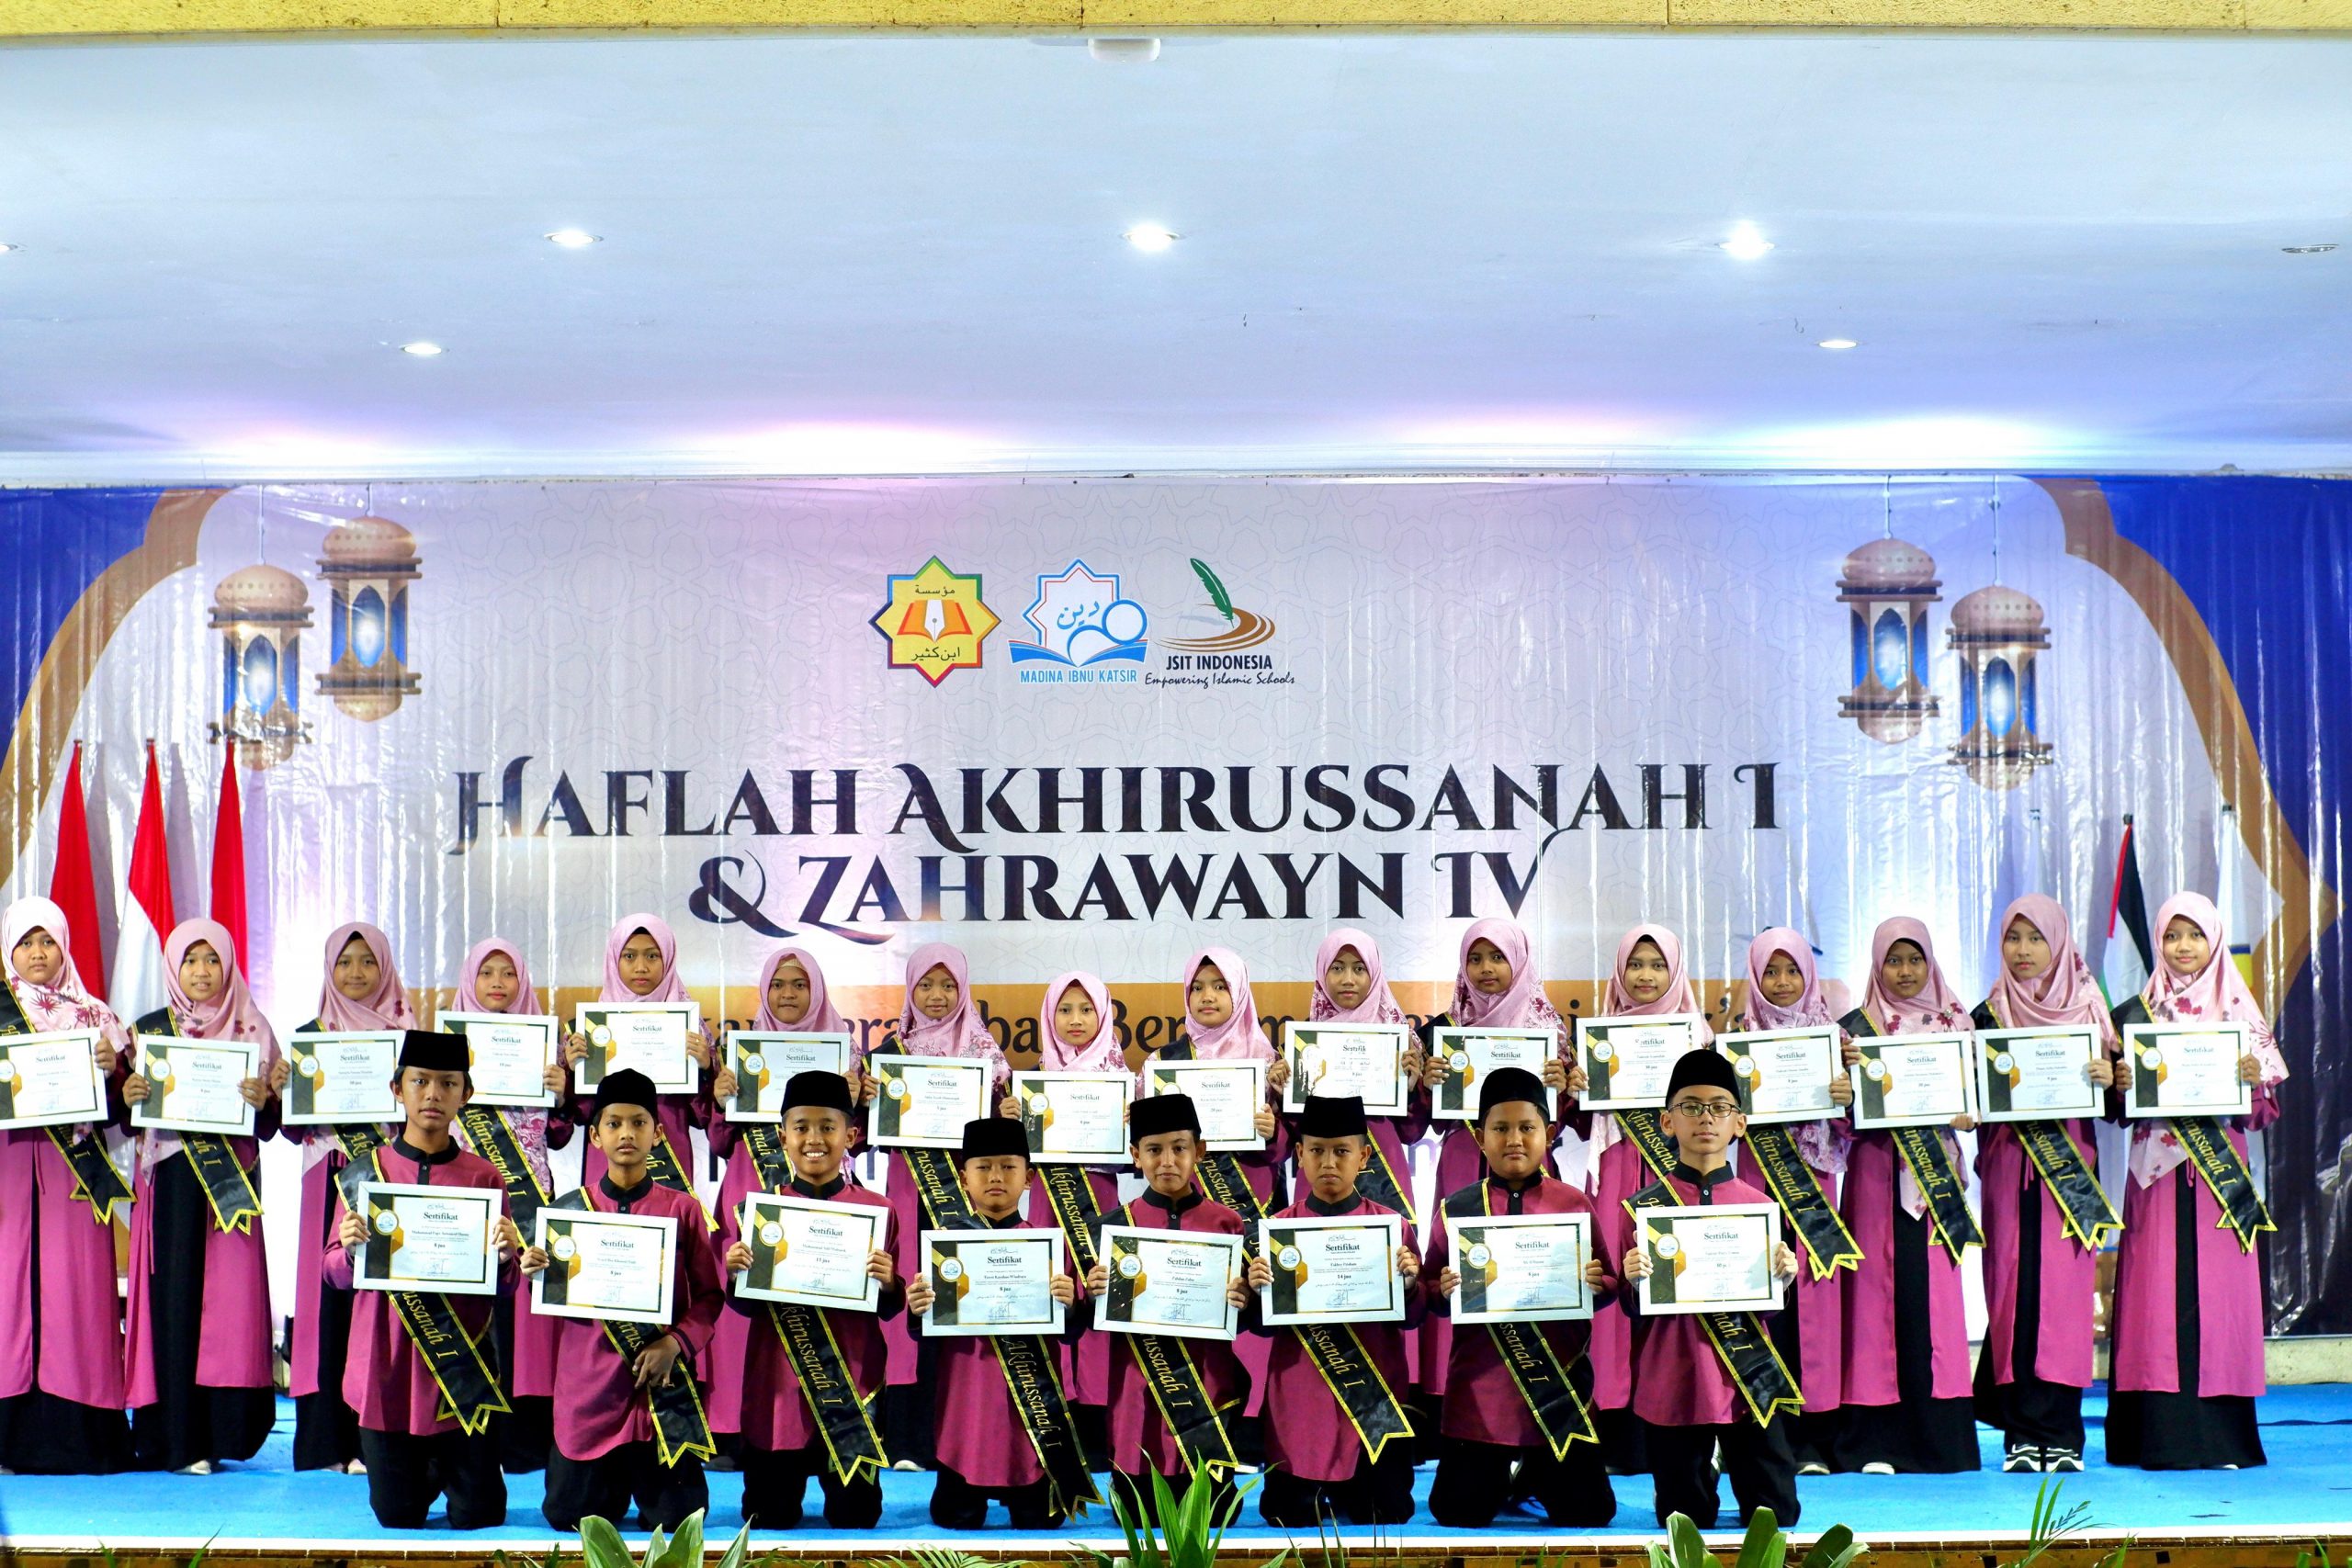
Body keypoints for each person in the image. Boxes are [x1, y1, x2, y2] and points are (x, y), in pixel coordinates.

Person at [2106, 892, 2287, 1471]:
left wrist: (2255, 1081)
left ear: (2213, 941)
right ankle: (2159, 1436)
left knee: (2219, 1301)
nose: (2183, 948)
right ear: (2158, 943)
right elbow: (2117, 1108)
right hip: (2155, 1178)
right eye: (2172, 937)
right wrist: (2119, 1081)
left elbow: (2261, 1114)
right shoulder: (2137, 1014)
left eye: (2195, 935)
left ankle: (2221, 1438)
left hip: (2219, 1178)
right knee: (2157, 1296)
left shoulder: (2238, 1008)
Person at [323, 1029, 524, 1528]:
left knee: (479, 1514)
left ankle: (450, 1467)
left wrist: (504, 1259)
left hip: (463, 1369)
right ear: (398, 1089)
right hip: (387, 1363)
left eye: (447, 1084)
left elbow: (508, 1285)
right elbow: (331, 1274)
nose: (433, 1094)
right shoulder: (364, 1174)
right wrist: (348, 1251)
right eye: (420, 1082)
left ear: (466, 1094)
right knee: (398, 1515)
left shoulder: (484, 1178)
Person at [528, 1068, 725, 1530]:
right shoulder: (566, 1215)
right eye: (614, 1123)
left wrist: (675, 1343)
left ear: (658, 1134)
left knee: (681, 1520)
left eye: (638, 1123)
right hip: (590, 1392)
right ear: (594, 1135)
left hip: (661, 1395)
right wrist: (534, 1269)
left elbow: (710, 1299)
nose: (626, 1134)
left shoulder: (684, 1209)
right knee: (568, 1517)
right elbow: (547, 1298)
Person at [1616, 1049, 1804, 1529]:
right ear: (1666, 1121)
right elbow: (1631, 1309)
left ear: (1739, 1123)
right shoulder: (1643, 1210)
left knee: (1776, 1515)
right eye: (1691, 1106)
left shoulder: (1761, 1206)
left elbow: (1775, 1310)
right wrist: (1633, 1279)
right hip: (1673, 1375)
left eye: (1720, 1107)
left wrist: (1785, 1275)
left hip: (1747, 1376)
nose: (1706, 1118)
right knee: (1683, 1519)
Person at [122, 919, 282, 1475]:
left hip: (230, 1186)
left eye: (211, 960)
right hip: (170, 1184)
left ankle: (222, 1433)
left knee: (229, 1311)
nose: (201, 971)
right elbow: (124, 1119)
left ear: (229, 965)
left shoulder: (254, 1028)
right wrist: (130, 1094)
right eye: (190, 961)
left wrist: (264, 1100)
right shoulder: (147, 1032)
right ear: (173, 967)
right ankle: (176, 1437)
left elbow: (272, 1127)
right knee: (176, 1301)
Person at [1424, 1066, 1617, 1529]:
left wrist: (1597, 1281)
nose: (1514, 1139)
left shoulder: (1573, 1204)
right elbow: (1429, 1292)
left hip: (1560, 1392)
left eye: (1527, 1128)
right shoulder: (1459, 1209)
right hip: (1480, 1396)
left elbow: (1610, 1282)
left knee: (1588, 1513)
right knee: (1456, 1513)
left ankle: (1532, 1474)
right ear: (1480, 1137)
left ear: (1549, 1134)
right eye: (1501, 1128)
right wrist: (1441, 1289)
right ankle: (1512, 1474)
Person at [1969, 897, 2120, 1473]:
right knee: (2013, 1297)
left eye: (2036, 938)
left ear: (2057, 943)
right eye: (2014, 939)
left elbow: (2115, 1106)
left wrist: (2111, 1081)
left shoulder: (2089, 1009)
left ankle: (2063, 1434)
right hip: (2009, 1173)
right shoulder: (1985, 1016)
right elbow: (1970, 1098)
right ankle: (2020, 1436)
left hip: (2069, 1176)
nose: (2024, 950)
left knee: (2062, 1302)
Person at [1832, 917, 1982, 1474]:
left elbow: (1981, 1101)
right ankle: (1876, 1441)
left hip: (1934, 1182)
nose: (1905, 970)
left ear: (1930, 961)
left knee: (1935, 1305)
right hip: (1873, 1177)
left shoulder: (1957, 1022)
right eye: (1893, 960)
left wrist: (1971, 1111)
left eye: (1914, 958)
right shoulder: (1852, 1029)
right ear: (1877, 964)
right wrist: (1844, 1094)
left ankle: (1936, 1440)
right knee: (1874, 1303)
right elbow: (1838, 1124)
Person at [1415, 919, 1578, 1424]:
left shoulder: (1549, 1030)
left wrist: (1566, 1088)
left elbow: (1567, 1121)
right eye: (1476, 959)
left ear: (1519, 962)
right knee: (1466, 1273)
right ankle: (1464, 1402)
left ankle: (1537, 1393)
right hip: (1464, 1162)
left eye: (1498, 958)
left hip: (1528, 1168)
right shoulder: (1442, 1030)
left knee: (1529, 1270)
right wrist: (1425, 1084)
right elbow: (1424, 1119)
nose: (1487, 970)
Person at [721, 1069, 899, 1528]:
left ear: (851, 1136)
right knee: (768, 1518)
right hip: (778, 1387)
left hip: (851, 1386)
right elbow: (743, 1306)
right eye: (801, 1128)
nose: (814, 1139)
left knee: (856, 1518)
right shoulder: (760, 1213)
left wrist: (888, 1282)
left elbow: (890, 1306)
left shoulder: (879, 1211)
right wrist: (737, 1273)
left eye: (828, 1127)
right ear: (783, 1137)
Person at [1241, 1094, 1424, 1528]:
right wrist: (1256, 1293)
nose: (1329, 1163)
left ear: (1363, 1157)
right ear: (1299, 1154)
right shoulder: (1278, 1232)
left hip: (1374, 1400)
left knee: (1387, 1513)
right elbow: (1262, 1329)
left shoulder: (1392, 1227)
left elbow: (1415, 1316)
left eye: (1342, 1151)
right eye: (1317, 1151)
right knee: (1287, 1516)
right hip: (1300, 1402)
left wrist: (1412, 1284)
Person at [0, 897, 133, 1474]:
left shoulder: (97, 1018)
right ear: (10, 950)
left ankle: (80, 1437)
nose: (37, 953)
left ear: (63, 947)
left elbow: (127, 1115)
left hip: (76, 1177)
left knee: (75, 1297)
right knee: (8, 1299)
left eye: (47, 941)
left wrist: (114, 1072)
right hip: (7, 1173)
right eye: (26, 942)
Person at [907, 1116, 1092, 1529]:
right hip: (965, 1394)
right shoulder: (945, 1248)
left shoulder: (1047, 1243)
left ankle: (1030, 1480)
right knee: (957, 1517)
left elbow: (1072, 1330)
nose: (996, 1177)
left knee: (1039, 1520)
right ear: (964, 1177)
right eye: (983, 1166)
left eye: (1008, 1167)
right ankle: (962, 1480)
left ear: (1028, 1178)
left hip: (1032, 1407)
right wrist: (917, 1308)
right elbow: (925, 1330)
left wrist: (1070, 1304)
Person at [1079, 1092, 1256, 1521]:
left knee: (1215, 1517)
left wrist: (1244, 1300)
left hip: (1208, 1388)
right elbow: (1092, 1319)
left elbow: (1248, 1316)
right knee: (1138, 1516)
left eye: (1179, 1148)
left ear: (1200, 1151)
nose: (1168, 1161)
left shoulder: (1228, 1223)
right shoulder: (1111, 1228)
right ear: (1136, 1156)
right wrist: (1092, 1293)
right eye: (1154, 1150)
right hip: (1138, 1385)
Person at [288, 920, 416, 1472]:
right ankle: (329, 1441)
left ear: (385, 966)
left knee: (380, 1308)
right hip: (328, 1178)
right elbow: (293, 1129)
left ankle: (375, 1437)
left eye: (368, 961)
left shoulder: (409, 1033)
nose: (357, 973)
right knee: (330, 1302)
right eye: (345, 962)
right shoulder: (310, 1034)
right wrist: (278, 1092)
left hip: (390, 1177)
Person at [1730, 928, 1856, 1475]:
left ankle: (1817, 1435)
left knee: (1816, 1302)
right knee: (1766, 1303)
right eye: (1770, 972)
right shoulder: (1734, 1041)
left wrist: (1846, 1096)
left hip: (1816, 1184)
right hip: (1755, 1183)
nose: (1782, 984)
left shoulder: (1835, 1041)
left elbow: (1855, 1127)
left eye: (1792, 971)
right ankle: (1769, 1432)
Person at [446, 936, 573, 1472]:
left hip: (530, 1195)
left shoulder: (546, 1043)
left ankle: (524, 1441)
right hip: (466, 1193)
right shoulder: (449, 1039)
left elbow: (562, 1135)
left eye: (509, 973)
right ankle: (468, 1432)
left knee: (526, 1321)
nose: (498, 983)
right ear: (469, 981)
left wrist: (561, 1092)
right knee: (473, 1314)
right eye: (486, 973)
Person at [1586, 924, 1713, 1456]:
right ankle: (1620, 1424)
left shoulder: (1700, 1038)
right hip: (1619, 1168)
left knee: (1677, 1284)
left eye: (1657, 964)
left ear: (1675, 970)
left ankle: (1687, 1411)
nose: (1644, 975)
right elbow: (1570, 1120)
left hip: (1681, 1178)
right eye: (1635, 964)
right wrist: (1571, 1088)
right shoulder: (1598, 1036)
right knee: (1622, 1281)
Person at [1006, 970, 1125, 1453]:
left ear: (1104, 1015)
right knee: (1052, 1297)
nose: (1075, 1020)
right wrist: (1009, 1121)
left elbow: (1140, 1153)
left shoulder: (1124, 1081)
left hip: (1100, 1202)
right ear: (1049, 1017)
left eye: (1086, 1009)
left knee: (1098, 1299)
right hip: (1048, 1207)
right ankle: (1052, 1418)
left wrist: (1131, 1122)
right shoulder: (1032, 1082)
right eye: (1064, 1009)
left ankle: (1099, 1425)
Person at [565, 916, 716, 1210]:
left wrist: (706, 1069)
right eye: (630, 956)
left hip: (668, 1147)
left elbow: (703, 1117)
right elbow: (582, 1114)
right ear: (613, 959)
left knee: (668, 1238)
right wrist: (572, 1073)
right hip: (608, 1154)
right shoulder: (593, 1027)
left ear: (669, 959)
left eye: (652, 955)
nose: (641, 967)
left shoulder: (691, 1028)